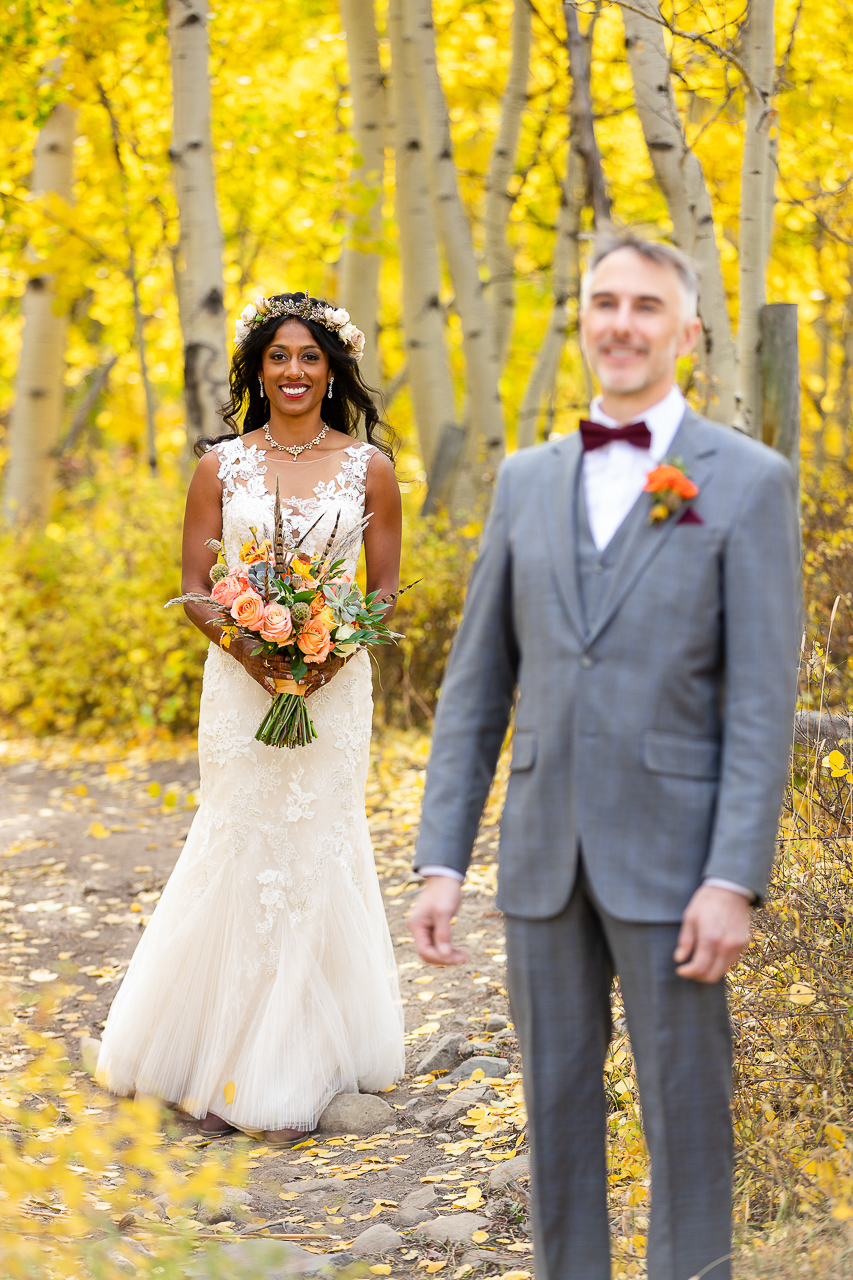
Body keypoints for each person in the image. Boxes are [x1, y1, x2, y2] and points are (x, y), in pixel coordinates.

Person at [409, 235, 800, 1280]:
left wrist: (732, 877)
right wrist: (440, 857)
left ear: (685, 331)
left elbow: (762, 702)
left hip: (678, 865)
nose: (619, 322)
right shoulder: (524, 479)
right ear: (581, 318)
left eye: (644, 306)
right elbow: (476, 685)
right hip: (540, 859)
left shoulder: (749, 482)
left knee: (686, 1118)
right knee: (555, 1121)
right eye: (602, 302)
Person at [97, 292, 405, 1145]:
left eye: (311, 357)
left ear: (333, 369)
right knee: (239, 833)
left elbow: (380, 591)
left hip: (335, 687)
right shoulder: (219, 466)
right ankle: (204, 1046)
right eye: (280, 357)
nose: (296, 372)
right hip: (241, 683)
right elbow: (196, 585)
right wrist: (256, 656)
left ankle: (305, 1058)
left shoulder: (369, 468)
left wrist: (326, 658)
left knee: (319, 838)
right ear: (257, 370)